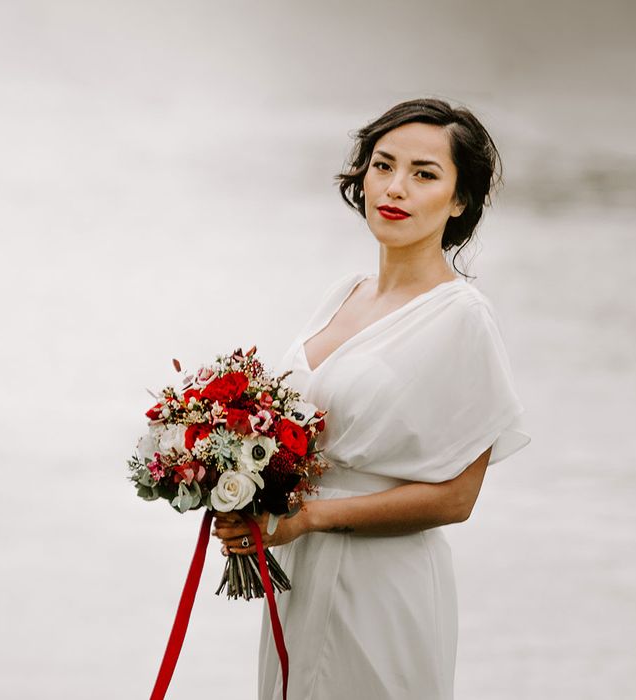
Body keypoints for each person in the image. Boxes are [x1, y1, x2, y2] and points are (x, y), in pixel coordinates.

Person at [212, 97, 531, 700]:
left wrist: (311, 518)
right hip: (298, 575)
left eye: (425, 174)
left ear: (460, 201)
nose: (396, 187)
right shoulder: (343, 293)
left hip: (385, 580)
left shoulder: (462, 319)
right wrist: (239, 485)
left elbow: (458, 497)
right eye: (383, 165)